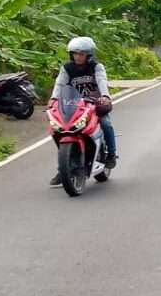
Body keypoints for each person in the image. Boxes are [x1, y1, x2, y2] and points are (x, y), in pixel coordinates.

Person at [48, 36, 116, 186]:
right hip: (73, 104)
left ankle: (111, 154)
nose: (78, 56)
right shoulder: (67, 68)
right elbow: (60, 84)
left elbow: (101, 81)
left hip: (95, 103)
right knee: (58, 130)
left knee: (106, 124)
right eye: (75, 53)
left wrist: (105, 96)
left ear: (89, 54)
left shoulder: (96, 67)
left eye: (81, 54)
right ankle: (63, 167)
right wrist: (53, 99)